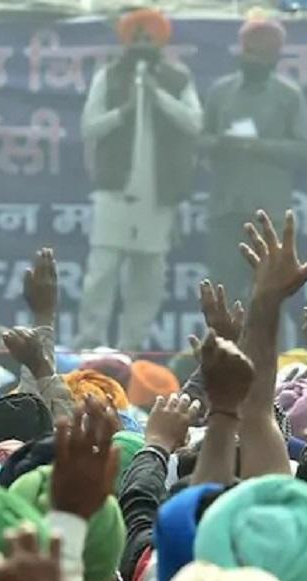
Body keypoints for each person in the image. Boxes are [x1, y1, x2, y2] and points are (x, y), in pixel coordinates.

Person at [77, 7, 202, 351]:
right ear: (126, 40)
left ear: (160, 41)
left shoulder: (177, 78)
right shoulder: (109, 76)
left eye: (150, 37)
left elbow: (195, 122)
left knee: (148, 277)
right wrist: (124, 112)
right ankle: (90, 343)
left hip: (157, 197)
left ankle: (131, 346)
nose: (143, 43)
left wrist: (157, 94)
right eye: (137, 36)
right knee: (102, 273)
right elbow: (89, 127)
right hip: (115, 193)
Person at [201, 16, 307, 297]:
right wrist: (223, 143)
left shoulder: (289, 95)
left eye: (260, 53)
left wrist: (256, 146)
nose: (252, 59)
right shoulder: (221, 92)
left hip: (269, 214)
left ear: (274, 57)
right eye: (248, 51)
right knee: (222, 292)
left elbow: (303, 149)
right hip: (226, 209)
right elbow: (200, 139)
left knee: (270, 293)